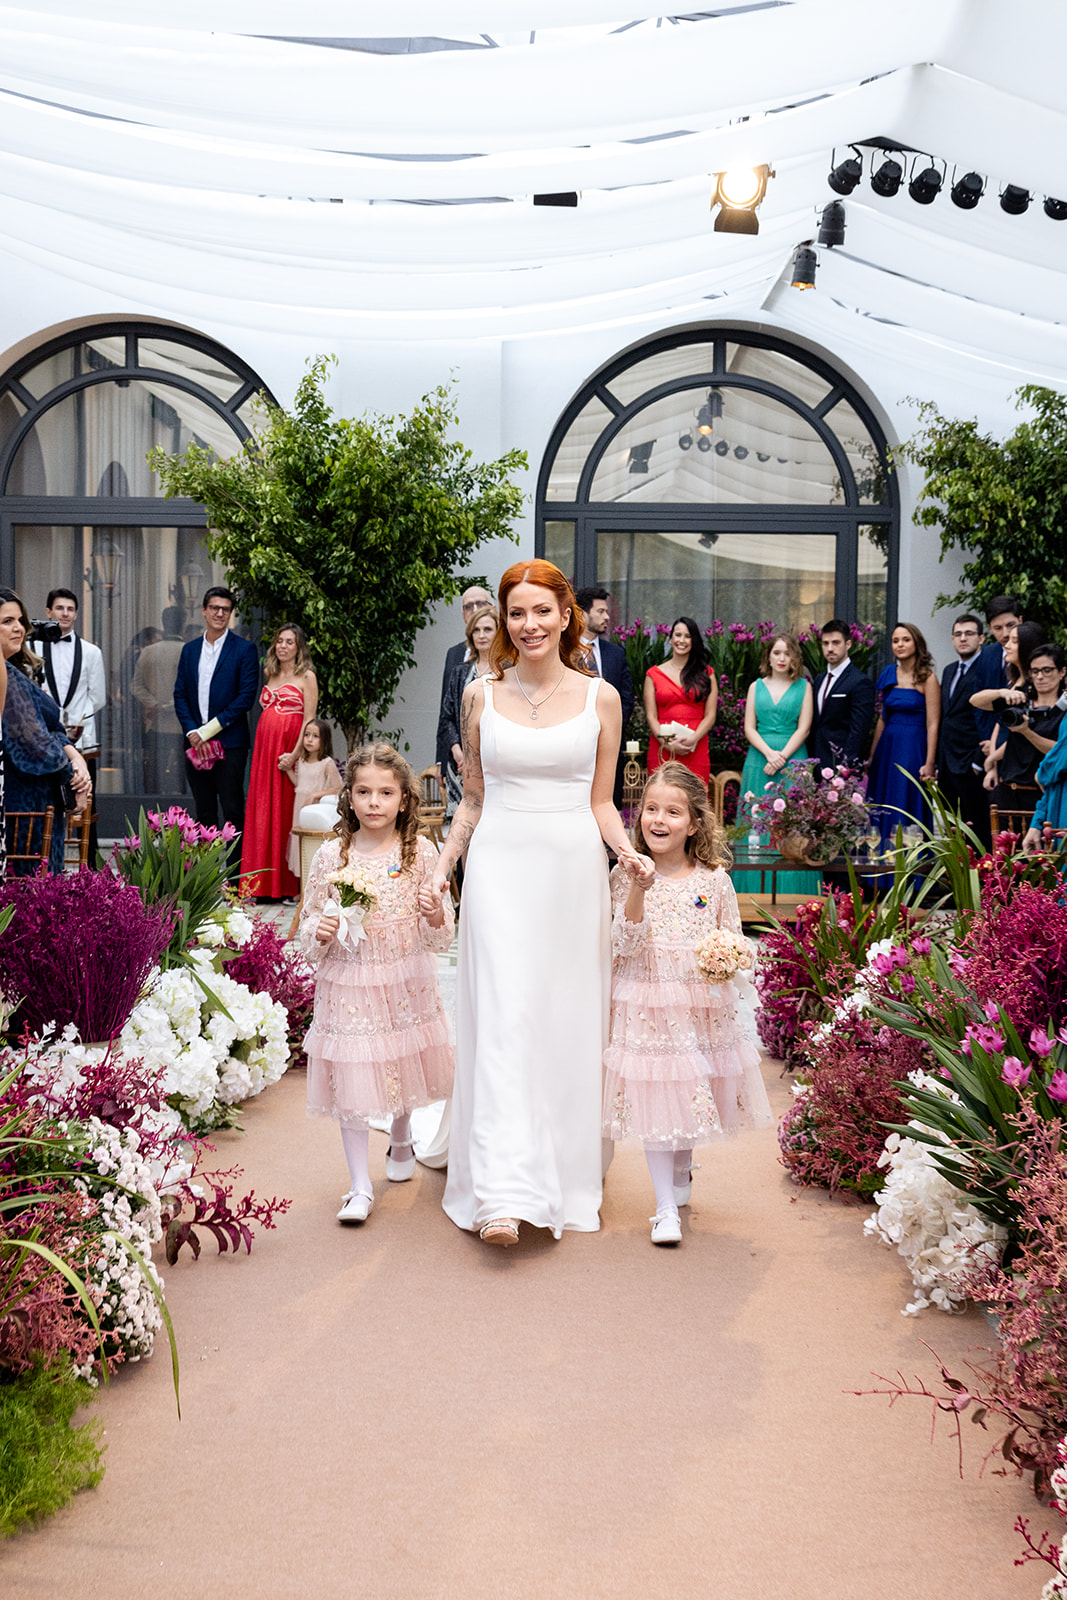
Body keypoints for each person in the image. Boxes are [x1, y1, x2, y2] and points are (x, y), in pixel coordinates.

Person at [429, 559, 651, 1247]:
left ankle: (560, 1160)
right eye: (515, 613)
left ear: (565, 618)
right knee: (502, 1015)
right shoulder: (479, 697)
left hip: (570, 873)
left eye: (540, 612)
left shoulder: (600, 699)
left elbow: (600, 803)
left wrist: (626, 851)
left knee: (562, 1019)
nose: (528, 625)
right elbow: (471, 799)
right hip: (497, 869)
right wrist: (440, 868)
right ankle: (499, 1190)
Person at [602, 763, 768, 1245]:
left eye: (672, 812)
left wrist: (727, 958)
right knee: (659, 1098)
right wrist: (638, 884)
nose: (659, 819)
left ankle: (680, 1169)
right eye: (651, 809)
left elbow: (733, 941)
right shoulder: (624, 874)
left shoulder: (715, 879)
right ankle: (664, 1210)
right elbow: (624, 943)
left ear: (694, 823)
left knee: (692, 1092)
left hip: (698, 1004)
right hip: (647, 1000)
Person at [300, 744, 455, 1224]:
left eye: (385, 793)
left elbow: (440, 935)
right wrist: (319, 931)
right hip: (349, 980)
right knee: (352, 1075)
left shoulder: (421, 852)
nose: (373, 802)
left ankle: (403, 1135)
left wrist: (434, 912)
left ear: (404, 800)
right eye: (363, 792)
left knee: (400, 1061)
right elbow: (309, 925)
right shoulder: (331, 854)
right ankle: (359, 1185)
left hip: (405, 976)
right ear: (349, 797)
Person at [0, 587, 91, 874]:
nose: (18, 628)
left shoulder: (15, 671)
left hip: (38, 805)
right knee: (30, 900)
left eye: (20, 620)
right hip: (24, 806)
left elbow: (50, 727)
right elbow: (33, 744)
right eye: (7, 621)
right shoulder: (7, 678)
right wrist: (74, 776)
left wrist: (74, 755)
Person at [172, 587, 259, 866]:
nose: (219, 613)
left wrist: (206, 732)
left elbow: (245, 699)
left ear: (231, 614)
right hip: (194, 743)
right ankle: (205, 876)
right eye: (214, 608)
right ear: (204, 611)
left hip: (230, 743)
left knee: (233, 809)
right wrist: (191, 732)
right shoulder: (190, 650)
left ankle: (234, 879)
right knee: (204, 810)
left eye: (225, 609)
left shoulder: (245, 650)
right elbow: (180, 695)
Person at [735, 631, 819, 894]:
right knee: (756, 824)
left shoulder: (805, 687)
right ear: (768, 657)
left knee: (793, 826)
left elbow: (804, 728)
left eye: (787, 653)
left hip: (794, 763)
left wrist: (782, 757)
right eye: (777, 652)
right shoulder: (755, 686)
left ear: (795, 657)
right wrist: (770, 754)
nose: (782, 658)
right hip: (759, 761)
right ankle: (752, 895)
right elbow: (749, 728)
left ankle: (794, 895)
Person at [240, 622, 318, 899]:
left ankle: (285, 886)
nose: (283, 646)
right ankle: (259, 884)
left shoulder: (306, 676)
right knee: (262, 810)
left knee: (285, 811)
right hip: (265, 751)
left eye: (290, 642)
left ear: (298, 648)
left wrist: (295, 755)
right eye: (279, 641)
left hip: (288, 751)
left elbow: (310, 719)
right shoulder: (269, 673)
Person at [40, 588, 106, 860]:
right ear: (48, 613)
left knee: (85, 800)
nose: (64, 613)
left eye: (70, 609)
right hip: (42, 739)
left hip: (83, 741)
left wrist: (77, 719)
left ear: (76, 614)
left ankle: (89, 864)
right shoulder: (30, 647)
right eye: (59, 608)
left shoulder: (91, 652)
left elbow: (98, 697)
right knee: (47, 801)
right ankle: (46, 860)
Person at [970, 626, 1062, 821]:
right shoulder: (1023, 696)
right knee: (1001, 848)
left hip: (1040, 792)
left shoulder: (1062, 708)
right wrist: (1002, 693)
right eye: (1035, 671)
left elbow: (1060, 751)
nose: (1040, 677)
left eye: (1046, 671)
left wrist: (1026, 732)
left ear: (1062, 672)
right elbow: (977, 702)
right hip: (1007, 789)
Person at [866, 622, 940, 846]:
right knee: (883, 803)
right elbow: (882, 718)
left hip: (913, 748)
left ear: (916, 643)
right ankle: (879, 870)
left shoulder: (928, 678)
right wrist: (873, 756)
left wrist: (929, 763)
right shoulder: (889, 673)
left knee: (906, 801)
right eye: (895, 640)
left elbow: (933, 723)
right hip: (887, 749)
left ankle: (910, 871)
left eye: (906, 639)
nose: (900, 644)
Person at [935, 614, 992, 851]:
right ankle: (955, 882)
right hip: (948, 763)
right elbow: (946, 718)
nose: (963, 638)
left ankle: (980, 883)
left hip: (972, 763)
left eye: (969, 633)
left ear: (981, 637)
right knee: (952, 829)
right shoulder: (948, 670)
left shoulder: (986, 670)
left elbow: (988, 718)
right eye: (958, 634)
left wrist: (979, 762)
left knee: (977, 828)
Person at [575, 585, 635, 806]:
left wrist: (611, 728)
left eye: (607, 611)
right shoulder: (562, 653)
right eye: (600, 611)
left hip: (609, 746)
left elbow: (626, 699)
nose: (607, 617)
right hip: (574, 746)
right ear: (582, 614)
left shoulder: (616, 654)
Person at [439, 604, 497, 822]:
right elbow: (447, 717)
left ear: (498, 632)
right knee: (463, 823)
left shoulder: (508, 671)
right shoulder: (460, 671)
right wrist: (457, 751)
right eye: (476, 630)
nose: (481, 635)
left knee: (489, 822)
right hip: (460, 763)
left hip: (494, 761)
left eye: (487, 629)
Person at [643, 616, 718, 782]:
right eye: (677, 635)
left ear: (694, 641)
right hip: (662, 747)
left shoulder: (707, 674)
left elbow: (710, 715)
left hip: (695, 748)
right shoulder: (653, 674)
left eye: (687, 636)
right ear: (670, 639)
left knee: (694, 801)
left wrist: (693, 739)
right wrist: (667, 743)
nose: (682, 640)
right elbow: (651, 717)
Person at [434, 584, 494, 781]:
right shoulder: (455, 655)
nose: (475, 609)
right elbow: (447, 711)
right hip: (458, 763)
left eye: (480, 603)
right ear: (462, 614)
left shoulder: (510, 663)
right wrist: (443, 759)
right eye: (468, 606)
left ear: (492, 607)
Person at [131, 607, 187, 791]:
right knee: (183, 777)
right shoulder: (188, 651)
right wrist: (167, 706)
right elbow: (191, 690)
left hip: (154, 722)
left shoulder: (148, 652)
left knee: (153, 776)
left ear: (163, 624)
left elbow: (136, 686)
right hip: (181, 724)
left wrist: (154, 704)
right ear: (183, 625)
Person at [810, 619, 875, 771]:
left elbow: (859, 731)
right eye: (825, 643)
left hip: (842, 766)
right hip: (817, 764)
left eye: (836, 643)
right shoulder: (819, 679)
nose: (830, 648)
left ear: (848, 644)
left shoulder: (860, 681)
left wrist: (845, 767)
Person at [286, 718, 342, 880]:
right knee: (298, 842)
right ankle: (301, 886)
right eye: (307, 735)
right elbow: (299, 783)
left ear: (324, 739)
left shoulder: (327, 763)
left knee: (312, 843)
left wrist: (315, 795)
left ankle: (315, 881)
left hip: (315, 808)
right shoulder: (301, 761)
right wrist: (288, 770)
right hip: (299, 806)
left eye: (315, 736)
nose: (309, 739)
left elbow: (337, 787)